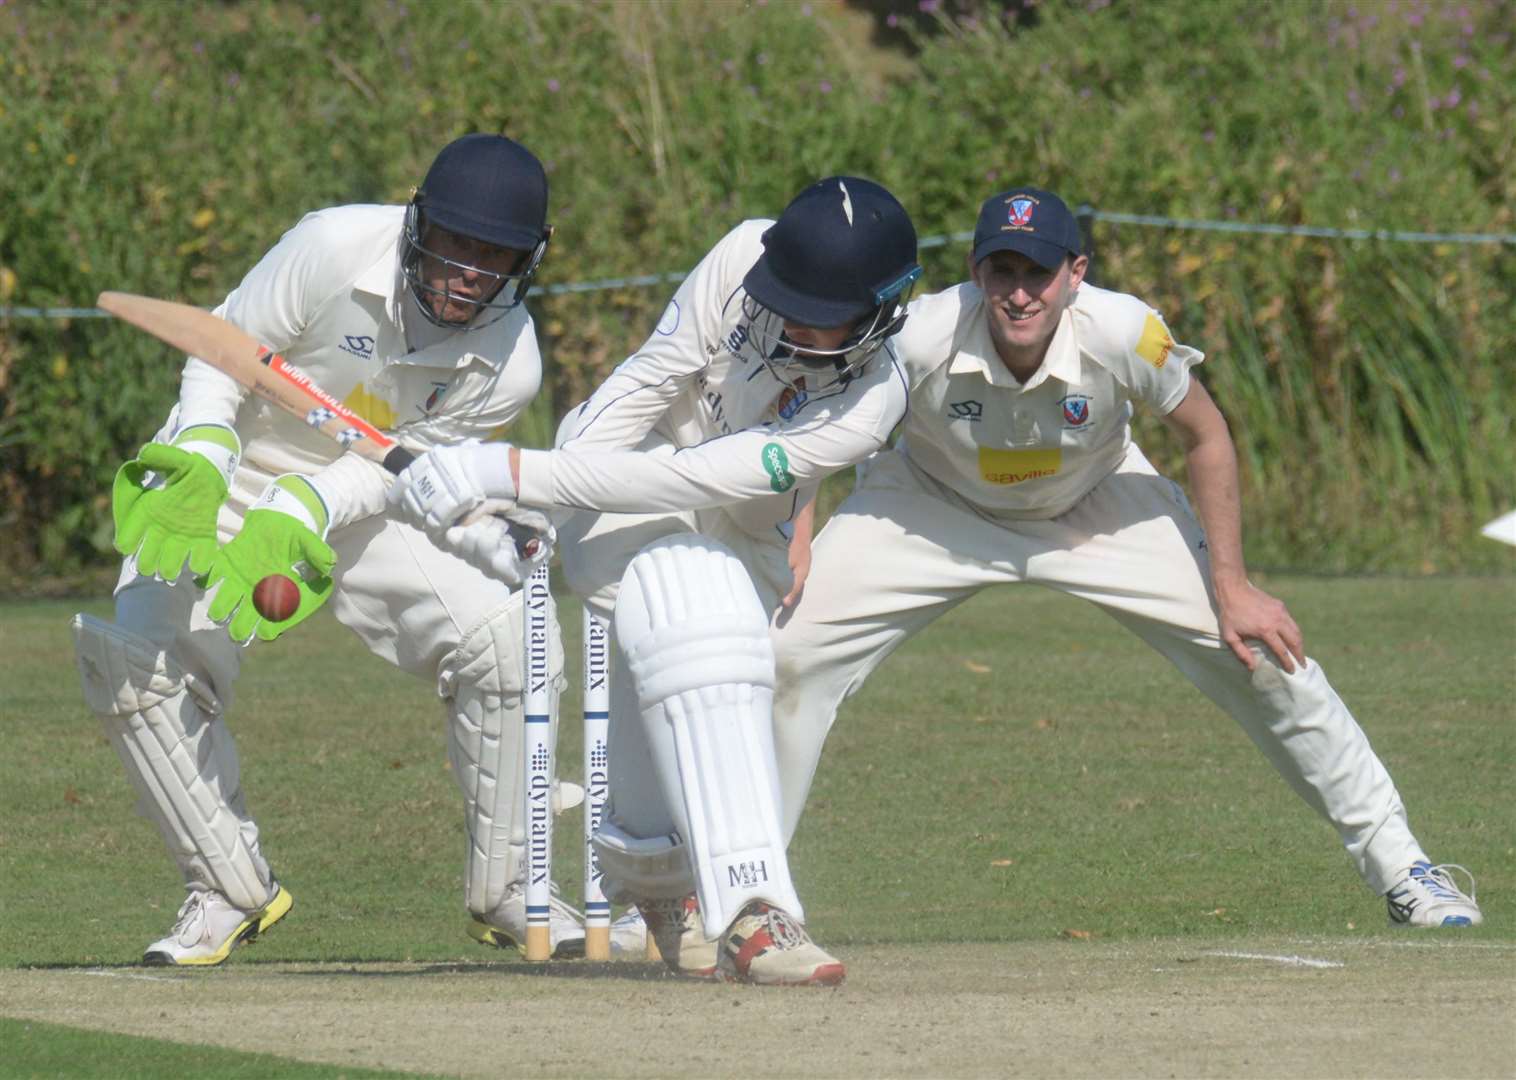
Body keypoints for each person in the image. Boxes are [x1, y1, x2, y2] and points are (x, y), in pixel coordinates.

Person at [765, 186, 1483, 929]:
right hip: (932, 504)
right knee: (782, 655)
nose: (1019, 294)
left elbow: (1207, 436)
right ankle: (738, 894)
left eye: (1038, 274)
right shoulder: (920, 334)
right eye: (1001, 272)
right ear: (977, 275)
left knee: (1262, 653)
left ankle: (1405, 869)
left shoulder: (1126, 331)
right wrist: (799, 534)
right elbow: (828, 418)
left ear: (1075, 273)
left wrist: (1232, 585)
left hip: (1100, 503)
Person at [388, 176, 925, 984]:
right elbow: (650, 377)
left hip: (739, 518)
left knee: (690, 659)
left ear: (879, 311)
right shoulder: (748, 254)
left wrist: (503, 471)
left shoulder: (872, 402)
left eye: (822, 313)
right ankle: (752, 912)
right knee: (689, 602)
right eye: (787, 299)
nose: (792, 322)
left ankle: (654, 890)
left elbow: (701, 480)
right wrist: (543, 502)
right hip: (624, 475)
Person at [72, 133, 590, 966]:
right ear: (420, 223)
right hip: (237, 461)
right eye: (456, 244)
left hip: (361, 494)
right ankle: (226, 887)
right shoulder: (330, 244)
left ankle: (513, 887)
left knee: (506, 639)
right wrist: (203, 453)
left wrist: (308, 503)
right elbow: (220, 353)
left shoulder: (510, 362)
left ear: (527, 261)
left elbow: (402, 474)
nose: (469, 272)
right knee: (139, 662)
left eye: (495, 256)